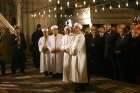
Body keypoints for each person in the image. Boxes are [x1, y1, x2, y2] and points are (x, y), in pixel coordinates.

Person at [69, 23, 88, 91]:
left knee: (80, 70)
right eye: (74, 28)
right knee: (75, 70)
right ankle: (77, 84)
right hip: (75, 55)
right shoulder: (75, 36)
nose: (75, 29)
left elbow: (78, 47)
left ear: (79, 28)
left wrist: (71, 51)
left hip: (80, 56)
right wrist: (70, 49)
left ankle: (81, 85)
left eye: (76, 28)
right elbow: (71, 45)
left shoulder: (81, 36)